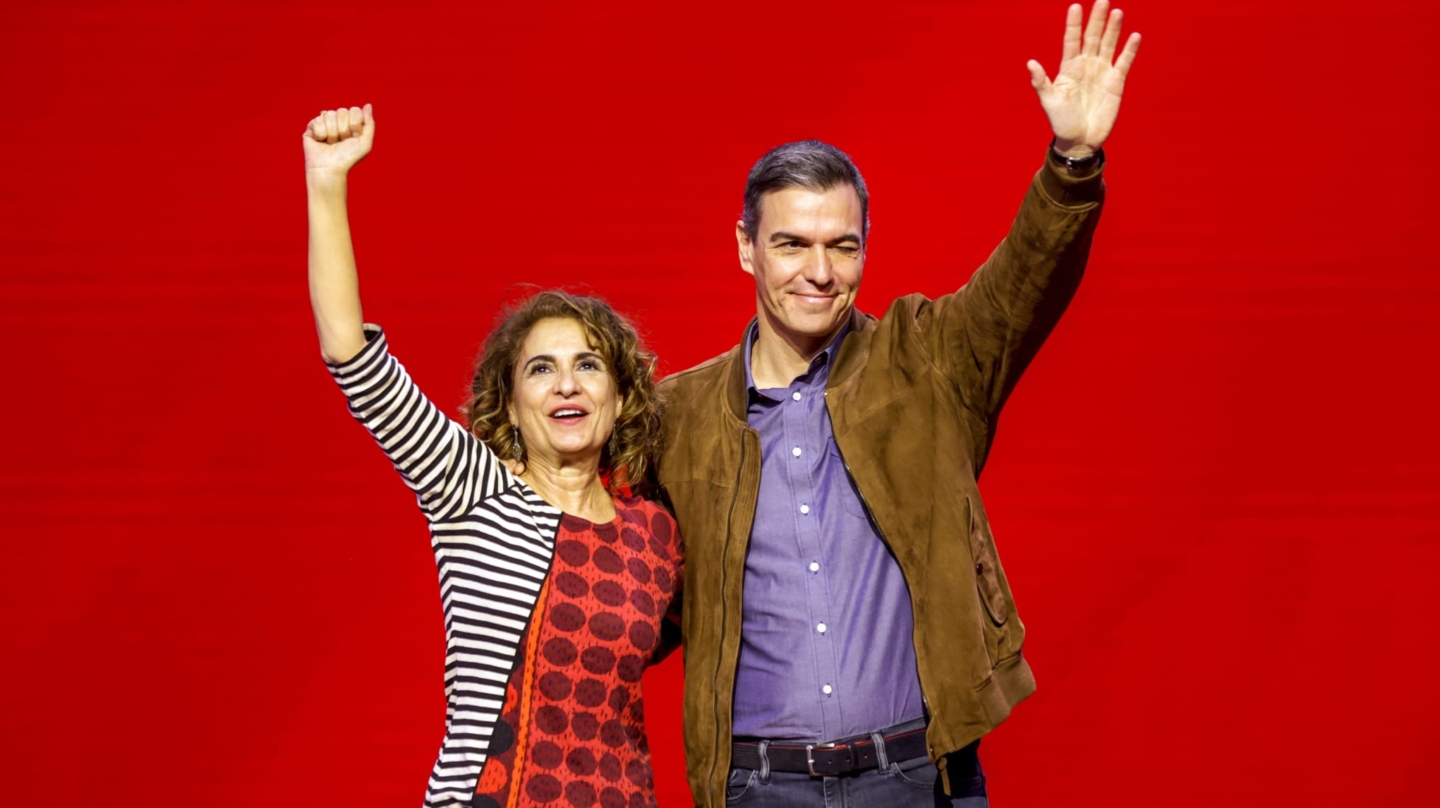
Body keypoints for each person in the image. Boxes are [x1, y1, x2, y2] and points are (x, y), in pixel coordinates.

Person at [655, 2, 1141, 806]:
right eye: (791, 244)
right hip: (757, 789)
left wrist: (1073, 158)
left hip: (918, 777)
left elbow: (1024, 281)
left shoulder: (928, 360)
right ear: (744, 246)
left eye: (842, 246)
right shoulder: (677, 417)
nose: (820, 271)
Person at [304, 104, 682, 808]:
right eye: (540, 369)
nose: (566, 384)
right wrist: (326, 183)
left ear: (622, 394)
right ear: (508, 406)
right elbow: (350, 354)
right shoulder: (471, 489)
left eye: (588, 365)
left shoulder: (656, 533)